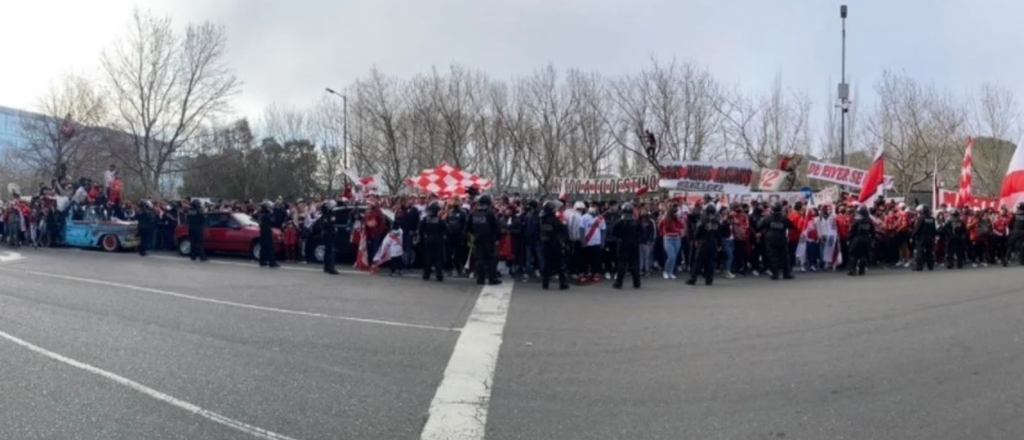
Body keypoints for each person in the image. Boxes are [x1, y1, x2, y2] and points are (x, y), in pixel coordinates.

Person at [469, 194, 502, 285]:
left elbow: (467, 228)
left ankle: (480, 279)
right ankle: (492, 278)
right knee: (491, 259)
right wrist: (498, 238)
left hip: (477, 239)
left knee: (480, 260)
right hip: (489, 240)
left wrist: (473, 236)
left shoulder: (473, 213)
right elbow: (497, 227)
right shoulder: (490, 213)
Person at [686, 204, 722, 286]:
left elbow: (697, 232)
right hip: (713, 243)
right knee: (711, 262)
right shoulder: (716, 221)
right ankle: (709, 280)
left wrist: (695, 238)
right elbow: (719, 234)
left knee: (698, 261)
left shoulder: (703, 220)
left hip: (703, 242)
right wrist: (719, 244)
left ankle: (693, 279)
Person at [758, 202, 795, 280]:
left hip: (770, 239)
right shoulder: (784, 218)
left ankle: (775, 274)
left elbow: (759, 225)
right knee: (784, 256)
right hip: (781, 239)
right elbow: (792, 226)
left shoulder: (768, 218)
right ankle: (786, 273)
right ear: (781, 209)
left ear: (772, 209)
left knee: (773, 257)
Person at [539, 200, 570, 290]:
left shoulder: (542, 218)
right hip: (554, 244)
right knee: (559, 264)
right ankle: (563, 283)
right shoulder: (552, 219)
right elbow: (561, 230)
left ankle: (545, 282)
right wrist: (562, 240)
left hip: (545, 243)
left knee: (546, 264)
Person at [612, 201, 641, 289]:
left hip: (622, 244)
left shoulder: (619, 222)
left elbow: (614, 233)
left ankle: (618, 283)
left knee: (621, 263)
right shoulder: (636, 222)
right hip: (633, 244)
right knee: (634, 263)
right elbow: (641, 233)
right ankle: (637, 282)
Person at [419, 201, 447, 281]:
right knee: (437, 258)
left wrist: (423, 238)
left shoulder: (425, 219)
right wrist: (443, 236)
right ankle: (439, 275)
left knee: (428, 257)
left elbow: (420, 229)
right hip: (437, 240)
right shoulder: (439, 220)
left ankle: (426, 274)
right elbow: (446, 229)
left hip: (428, 240)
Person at [848, 205, 875, 276]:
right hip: (867, 239)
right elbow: (873, 232)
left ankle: (852, 270)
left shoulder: (857, 221)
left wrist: (849, 239)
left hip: (857, 239)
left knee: (853, 254)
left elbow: (852, 231)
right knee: (863, 254)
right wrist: (872, 240)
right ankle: (861, 270)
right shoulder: (869, 221)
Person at [911, 205, 937, 271]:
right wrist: (934, 237)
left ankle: (919, 266)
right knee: (930, 252)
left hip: (922, 237)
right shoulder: (932, 219)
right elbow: (934, 229)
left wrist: (912, 236)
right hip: (930, 237)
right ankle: (930, 266)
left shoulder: (921, 218)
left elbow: (917, 228)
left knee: (920, 252)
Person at [258, 201, 279, 268]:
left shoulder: (261, 214)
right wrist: (272, 213)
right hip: (266, 230)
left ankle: (262, 261)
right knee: (270, 246)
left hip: (263, 231)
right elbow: (272, 220)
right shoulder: (265, 215)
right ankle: (272, 262)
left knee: (263, 247)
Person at [321, 200, 339, 274]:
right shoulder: (327, 215)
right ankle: (331, 268)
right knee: (330, 251)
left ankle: (327, 267)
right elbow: (327, 225)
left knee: (328, 251)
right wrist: (333, 227)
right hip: (328, 234)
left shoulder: (329, 214)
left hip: (328, 234)